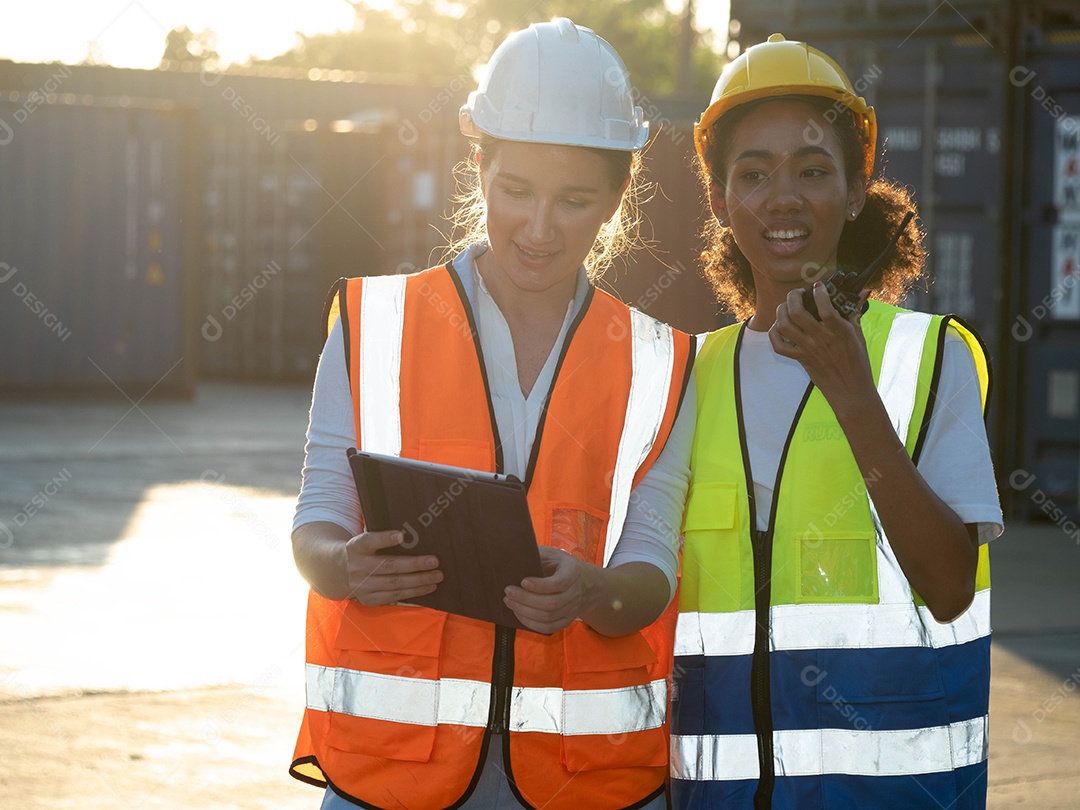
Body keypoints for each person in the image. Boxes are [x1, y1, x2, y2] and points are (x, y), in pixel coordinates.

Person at [287, 18, 696, 810]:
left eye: (575, 201)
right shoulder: (375, 324)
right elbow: (315, 522)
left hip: (585, 779)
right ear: (479, 167)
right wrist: (347, 568)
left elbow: (653, 569)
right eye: (516, 192)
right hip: (394, 774)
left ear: (617, 199)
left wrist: (594, 593)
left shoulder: (659, 358)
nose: (539, 230)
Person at [669, 34, 1003, 810]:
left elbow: (950, 588)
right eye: (753, 174)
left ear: (856, 193)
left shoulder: (931, 358)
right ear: (721, 202)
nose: (783, 197)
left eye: (814, 171)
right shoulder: (686, 376)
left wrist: (853, 395)